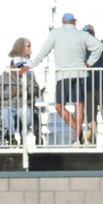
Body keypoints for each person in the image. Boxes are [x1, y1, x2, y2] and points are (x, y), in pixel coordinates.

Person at [34, 13, 92, 143]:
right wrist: (89, 62)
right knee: (78, 104)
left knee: (60, 106)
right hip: (78, 73)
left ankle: (78, 135)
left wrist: (32, 64)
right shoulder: (81, 34)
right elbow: (98, 47)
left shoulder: (56, 33)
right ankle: (79, 134)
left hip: (64, 74)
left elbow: (44, 51)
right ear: (74, 22)